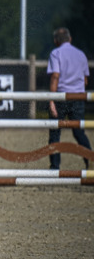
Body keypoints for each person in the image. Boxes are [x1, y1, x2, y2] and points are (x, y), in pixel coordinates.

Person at [47, 27, 92, 169]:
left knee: (55, 133)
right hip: (78, 97)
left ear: (56, 41)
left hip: (61, 97)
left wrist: (51, 100)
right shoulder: (81, 55)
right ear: (70, 39)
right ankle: (89, 160)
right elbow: (85, 80)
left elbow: (55, 76)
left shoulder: (56, 53)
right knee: (79, 133)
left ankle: (55, 167)